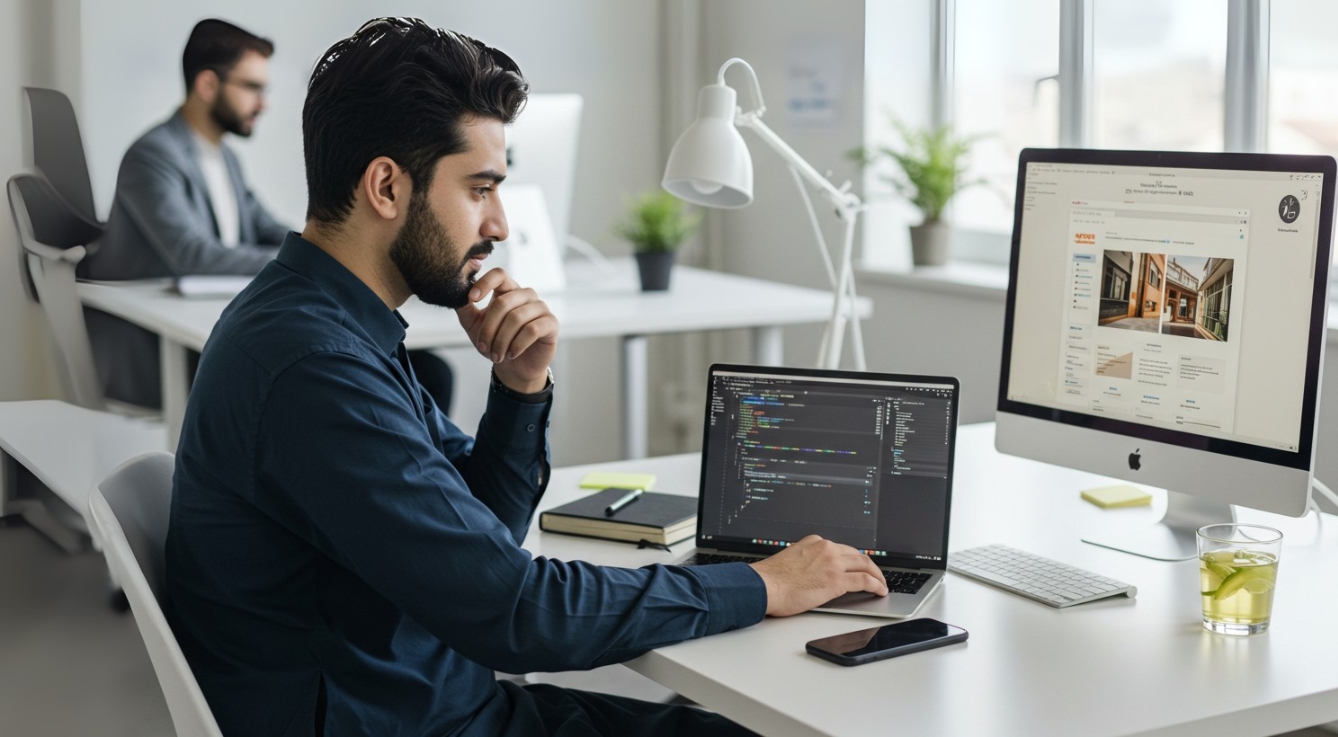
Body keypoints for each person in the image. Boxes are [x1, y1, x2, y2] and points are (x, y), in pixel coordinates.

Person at [166, 17, 888, 736]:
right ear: (386, 185)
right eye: (480, 188)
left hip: (445, 706)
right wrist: (761, 583)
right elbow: (515, 612)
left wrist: (518, 387)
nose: (501, 223)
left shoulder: (336, 325)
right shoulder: (314, 367)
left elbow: (481, 533)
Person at [76, 18, 454, 411]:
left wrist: (332, 245)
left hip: (205, 335)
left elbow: (264, 226)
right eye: (252, 87)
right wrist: (312, 263)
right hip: (157, 356)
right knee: (352, 370)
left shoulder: (226, 159)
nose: (264, 102)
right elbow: (192, 254)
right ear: (207, 85)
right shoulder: (152, 156)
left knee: (416, 372)